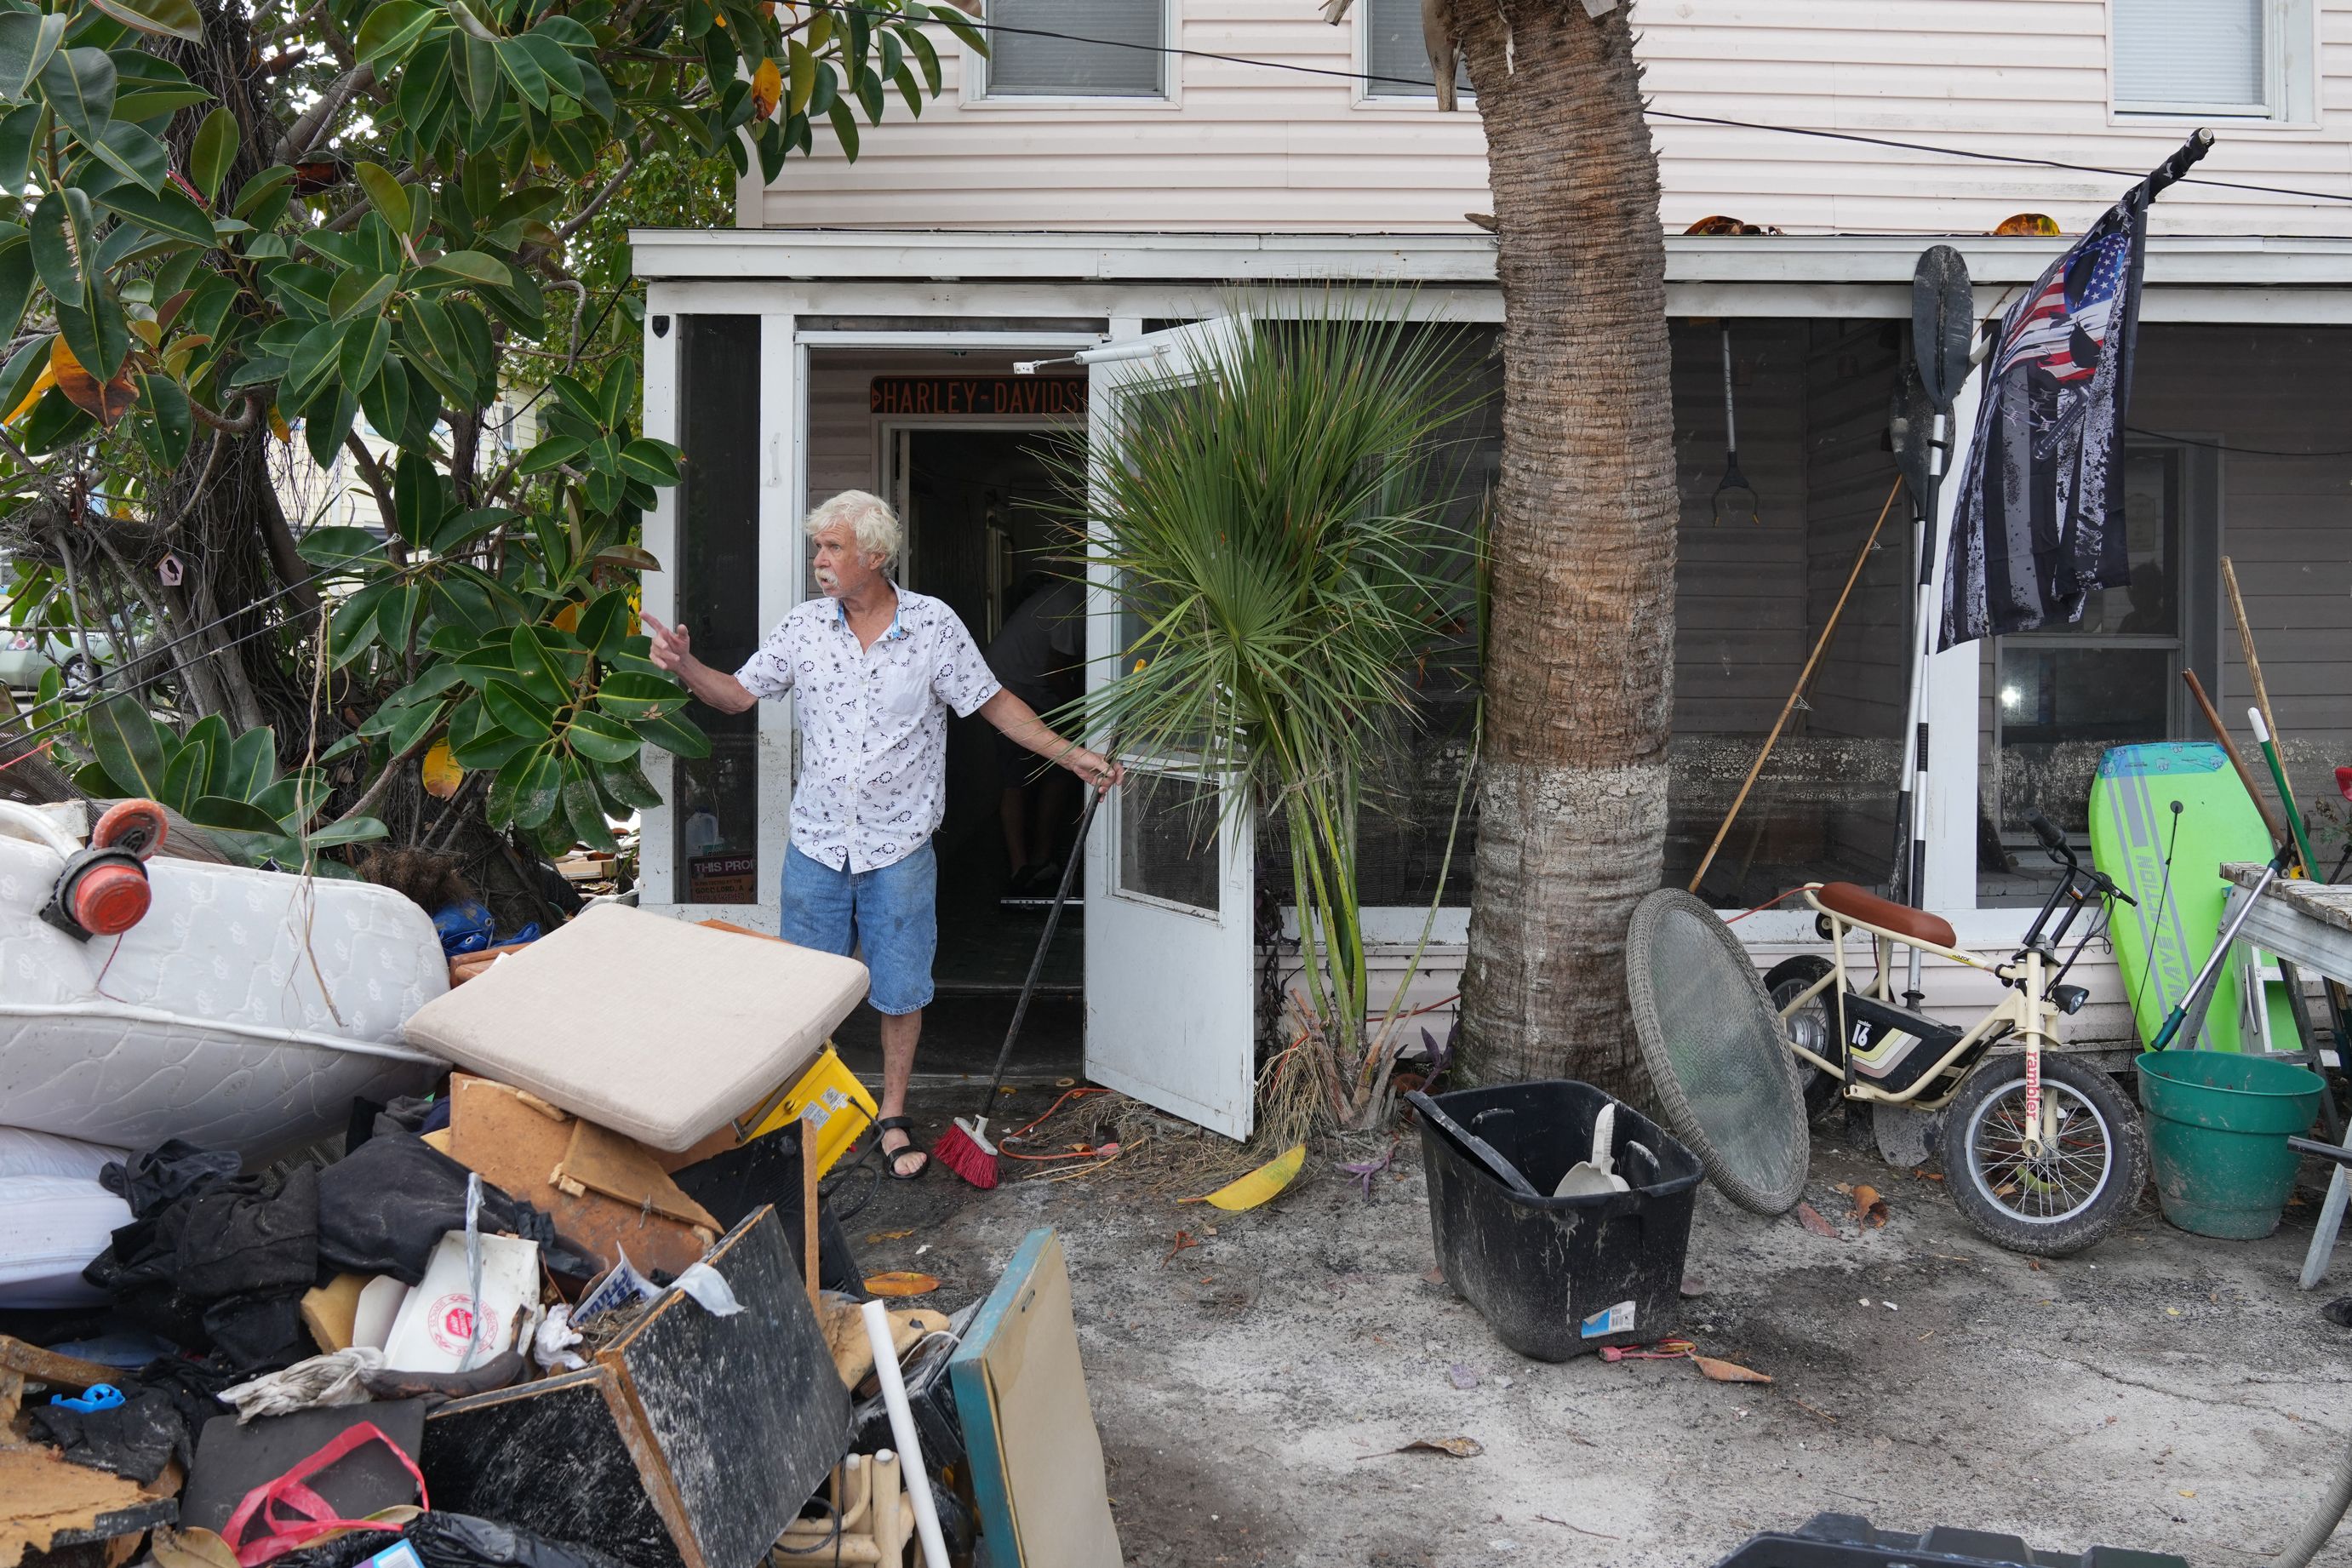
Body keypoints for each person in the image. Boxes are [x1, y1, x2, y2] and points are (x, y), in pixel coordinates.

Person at [642, 490, 1121, 1181]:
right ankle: (806, 1116)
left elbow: (994, 704)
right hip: (815, 846)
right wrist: (684, 665)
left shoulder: (933, 626)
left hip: (897, 848)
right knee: (803, 995)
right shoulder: (804, 628)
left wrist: (1070, 755)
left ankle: (891, 1114)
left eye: (832, 548)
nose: (819, 562)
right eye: (817, 548)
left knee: (900, 990)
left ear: (874, 554)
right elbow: (738, 695)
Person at [985, 574, 1085, 894]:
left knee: (1055, 772)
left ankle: (1038, 862)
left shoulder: (1067, 594)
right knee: (1020, 778)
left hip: (1024, 684)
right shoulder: (1073, 607)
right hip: (1009, 688)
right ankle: (1022, 869)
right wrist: (1081, 716)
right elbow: (1057, 671)